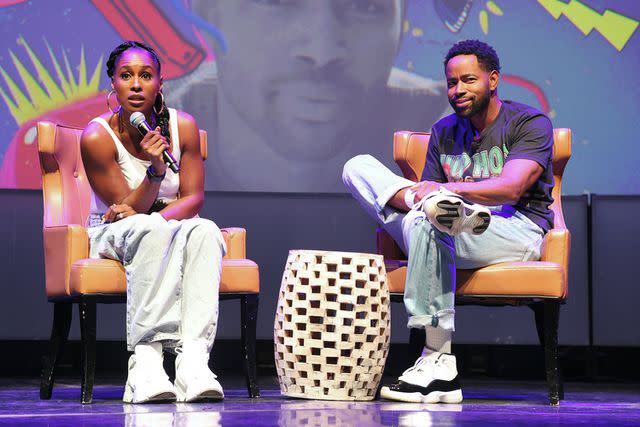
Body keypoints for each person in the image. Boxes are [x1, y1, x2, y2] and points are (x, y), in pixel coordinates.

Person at [342, 39, 554, 403]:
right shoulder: (443, 131)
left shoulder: (528, 122)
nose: (458, 90)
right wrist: (424, 198)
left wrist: (444, 191)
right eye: (452, 82)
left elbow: (510, 188)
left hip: (512, 229)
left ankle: (437, 356)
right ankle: (442, 213)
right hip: (444, 226)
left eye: (468, 80)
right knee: (357, 168)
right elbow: (425, 198)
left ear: (493, 79)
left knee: (434, 215)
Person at [164, 0, 448, 192]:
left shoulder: (453, 131)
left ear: (400, 26)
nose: (321, 52)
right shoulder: (141, 127)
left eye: (365, 5)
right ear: (205, 12)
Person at [80, 41, 227, 404]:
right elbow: (123, 209)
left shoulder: (185, 126)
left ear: (160, 83)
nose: (135, 84)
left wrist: (160, 216)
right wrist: (156, 171)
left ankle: (194, 362)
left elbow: (194, 198)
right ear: (112, 84)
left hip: (164, 220)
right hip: (111, 231)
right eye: (125, 76)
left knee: (206, 229)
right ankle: (145, 364)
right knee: (148, 228)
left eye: (145, 76)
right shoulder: (97, 136)